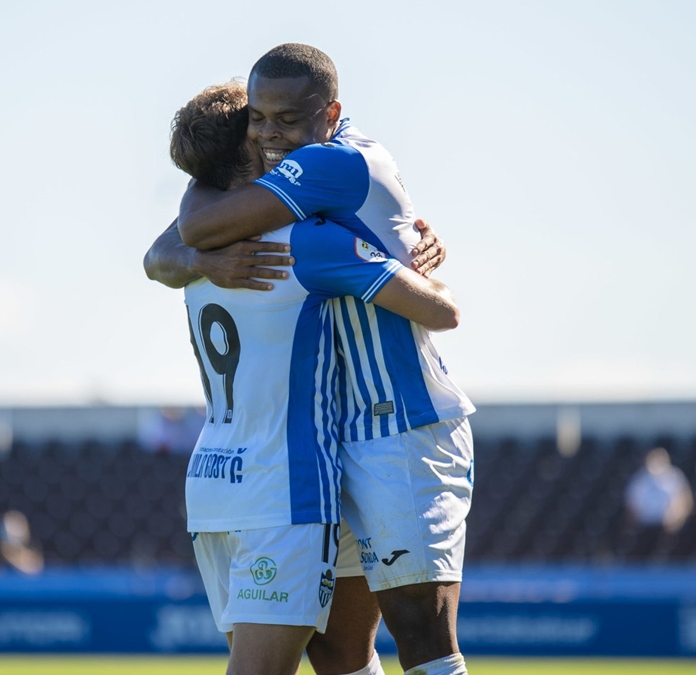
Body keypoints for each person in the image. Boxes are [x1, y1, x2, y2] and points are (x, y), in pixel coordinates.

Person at [149, 44, 475, 675]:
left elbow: (175, 239)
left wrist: (403, 252)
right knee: (339, 651)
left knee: (419, 629)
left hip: (394, 422)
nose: (271, 136)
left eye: (284, 120)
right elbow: (180, 238)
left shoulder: (331, 172)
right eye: (258, 122)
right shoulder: (296, 234)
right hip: (322, 447)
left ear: (331, 113)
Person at [624, 447, 694, 534]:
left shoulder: (675, 477)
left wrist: (675, 520)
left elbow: (685, 502)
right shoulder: (639, 479)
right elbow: (631, 506)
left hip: (669, 527)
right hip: (644, 526)